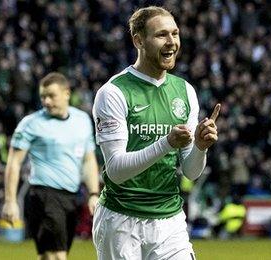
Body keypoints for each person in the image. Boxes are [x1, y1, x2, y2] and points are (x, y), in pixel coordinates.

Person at [91, 6, 220, 260]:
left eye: (175, 33)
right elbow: (115, 171)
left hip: (169, 219)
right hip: (121, 220)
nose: (171, 42)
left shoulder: (185, 91)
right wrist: (166, 142)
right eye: (162, 35)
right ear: (138, 40)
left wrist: (200, 148)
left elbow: (191, 172)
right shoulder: (114, 93)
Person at [2, 72, 99, 260]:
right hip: (44, 194)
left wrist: (93, 193)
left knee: (49, 256)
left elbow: (88, 160)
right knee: (56, 256)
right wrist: (10, 200)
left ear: (66, 94)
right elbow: (14, 163)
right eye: (43, 97)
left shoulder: (83, 120)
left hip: (71, 196)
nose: (46, 101)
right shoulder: (31, 124)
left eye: (51, 96)